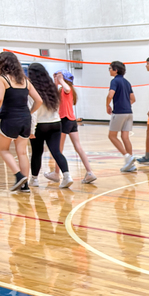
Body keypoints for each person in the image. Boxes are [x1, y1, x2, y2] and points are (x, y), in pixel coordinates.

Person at [0, 51, 42, 192]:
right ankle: (25, 186)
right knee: (22, 153)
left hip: (10, 118)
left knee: (3, 149)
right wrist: (28, 113)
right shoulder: (25, 81)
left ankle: (19, 176)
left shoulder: (3, 79)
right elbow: (39, 101)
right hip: (25, 119)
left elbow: (0, 99)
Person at [45, 70, 97, 184]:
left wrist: (60, 80)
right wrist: (56, 80)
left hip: (65, 120)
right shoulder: (63, 90)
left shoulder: (67, 90)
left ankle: (57, 173)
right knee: (77, 147)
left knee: (59, 149)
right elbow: (53, 93)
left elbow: (66, 88)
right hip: (72, 120)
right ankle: (89, 172)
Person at [27, 62, 73, 189]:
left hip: (39, 125)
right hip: (55, 123)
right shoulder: (52, 87)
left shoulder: (32, 88)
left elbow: (33, 112)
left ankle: (34, 179)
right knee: (56, 151)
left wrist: (31, 130)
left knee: (37, 152)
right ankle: (67, 176)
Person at [106, 61, 137, 173]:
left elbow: (110, 94)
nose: (109, 70)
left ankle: (127, 156)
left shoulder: (114, 81)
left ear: (116, 70)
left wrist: (107, 105)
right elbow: (133, 99)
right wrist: (126, 104)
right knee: (125, 137)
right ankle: (130, 165)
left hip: (119, 112)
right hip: (129, 112)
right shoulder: (127, 82)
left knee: (112, 136)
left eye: (110, 68)